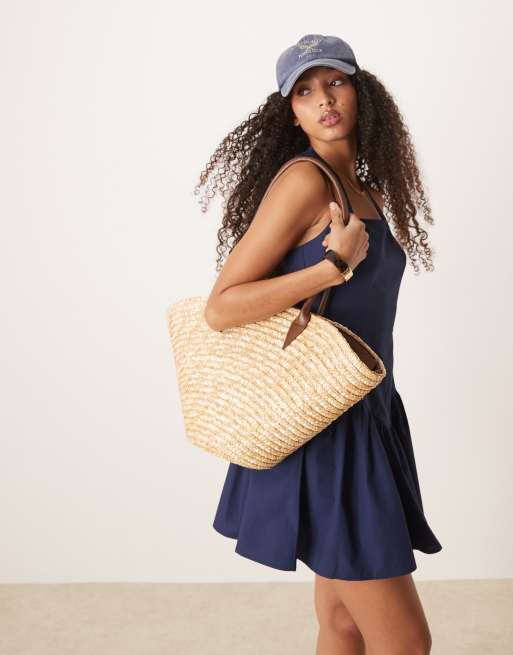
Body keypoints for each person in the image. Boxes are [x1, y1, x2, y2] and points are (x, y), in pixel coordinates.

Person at [196, 33, 442, 655]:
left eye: (335, 82)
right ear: (291, 113)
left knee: (343, 623)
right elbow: (221, 307)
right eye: (304, 92)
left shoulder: (366, 190)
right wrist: (331, 268)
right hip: (329, 429)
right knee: (407, 642)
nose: (324, 100)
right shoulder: (304, 183)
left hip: (367, 411)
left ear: (362, 92)